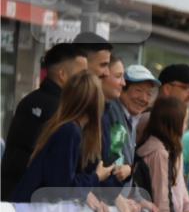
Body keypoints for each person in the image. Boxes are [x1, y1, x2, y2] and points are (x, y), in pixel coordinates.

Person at [2, 43, 88, 200]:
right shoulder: (61, 112)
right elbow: (59, 178)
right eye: (82, 75)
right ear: (62, 74)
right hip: (33, 206)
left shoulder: (30, 100)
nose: (86, 81)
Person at [10, 71, 113, 202]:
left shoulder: (63, 127)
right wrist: (96, 177)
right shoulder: (70, 131)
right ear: (95, 102)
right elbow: (61, 188)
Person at [134, 97, 189, 212]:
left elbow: (177, 186)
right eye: (184, 122)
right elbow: (163, 197)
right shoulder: (159, 153)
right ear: (172, 123)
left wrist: (187, 208)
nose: (185, 127)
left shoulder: (166, 148)